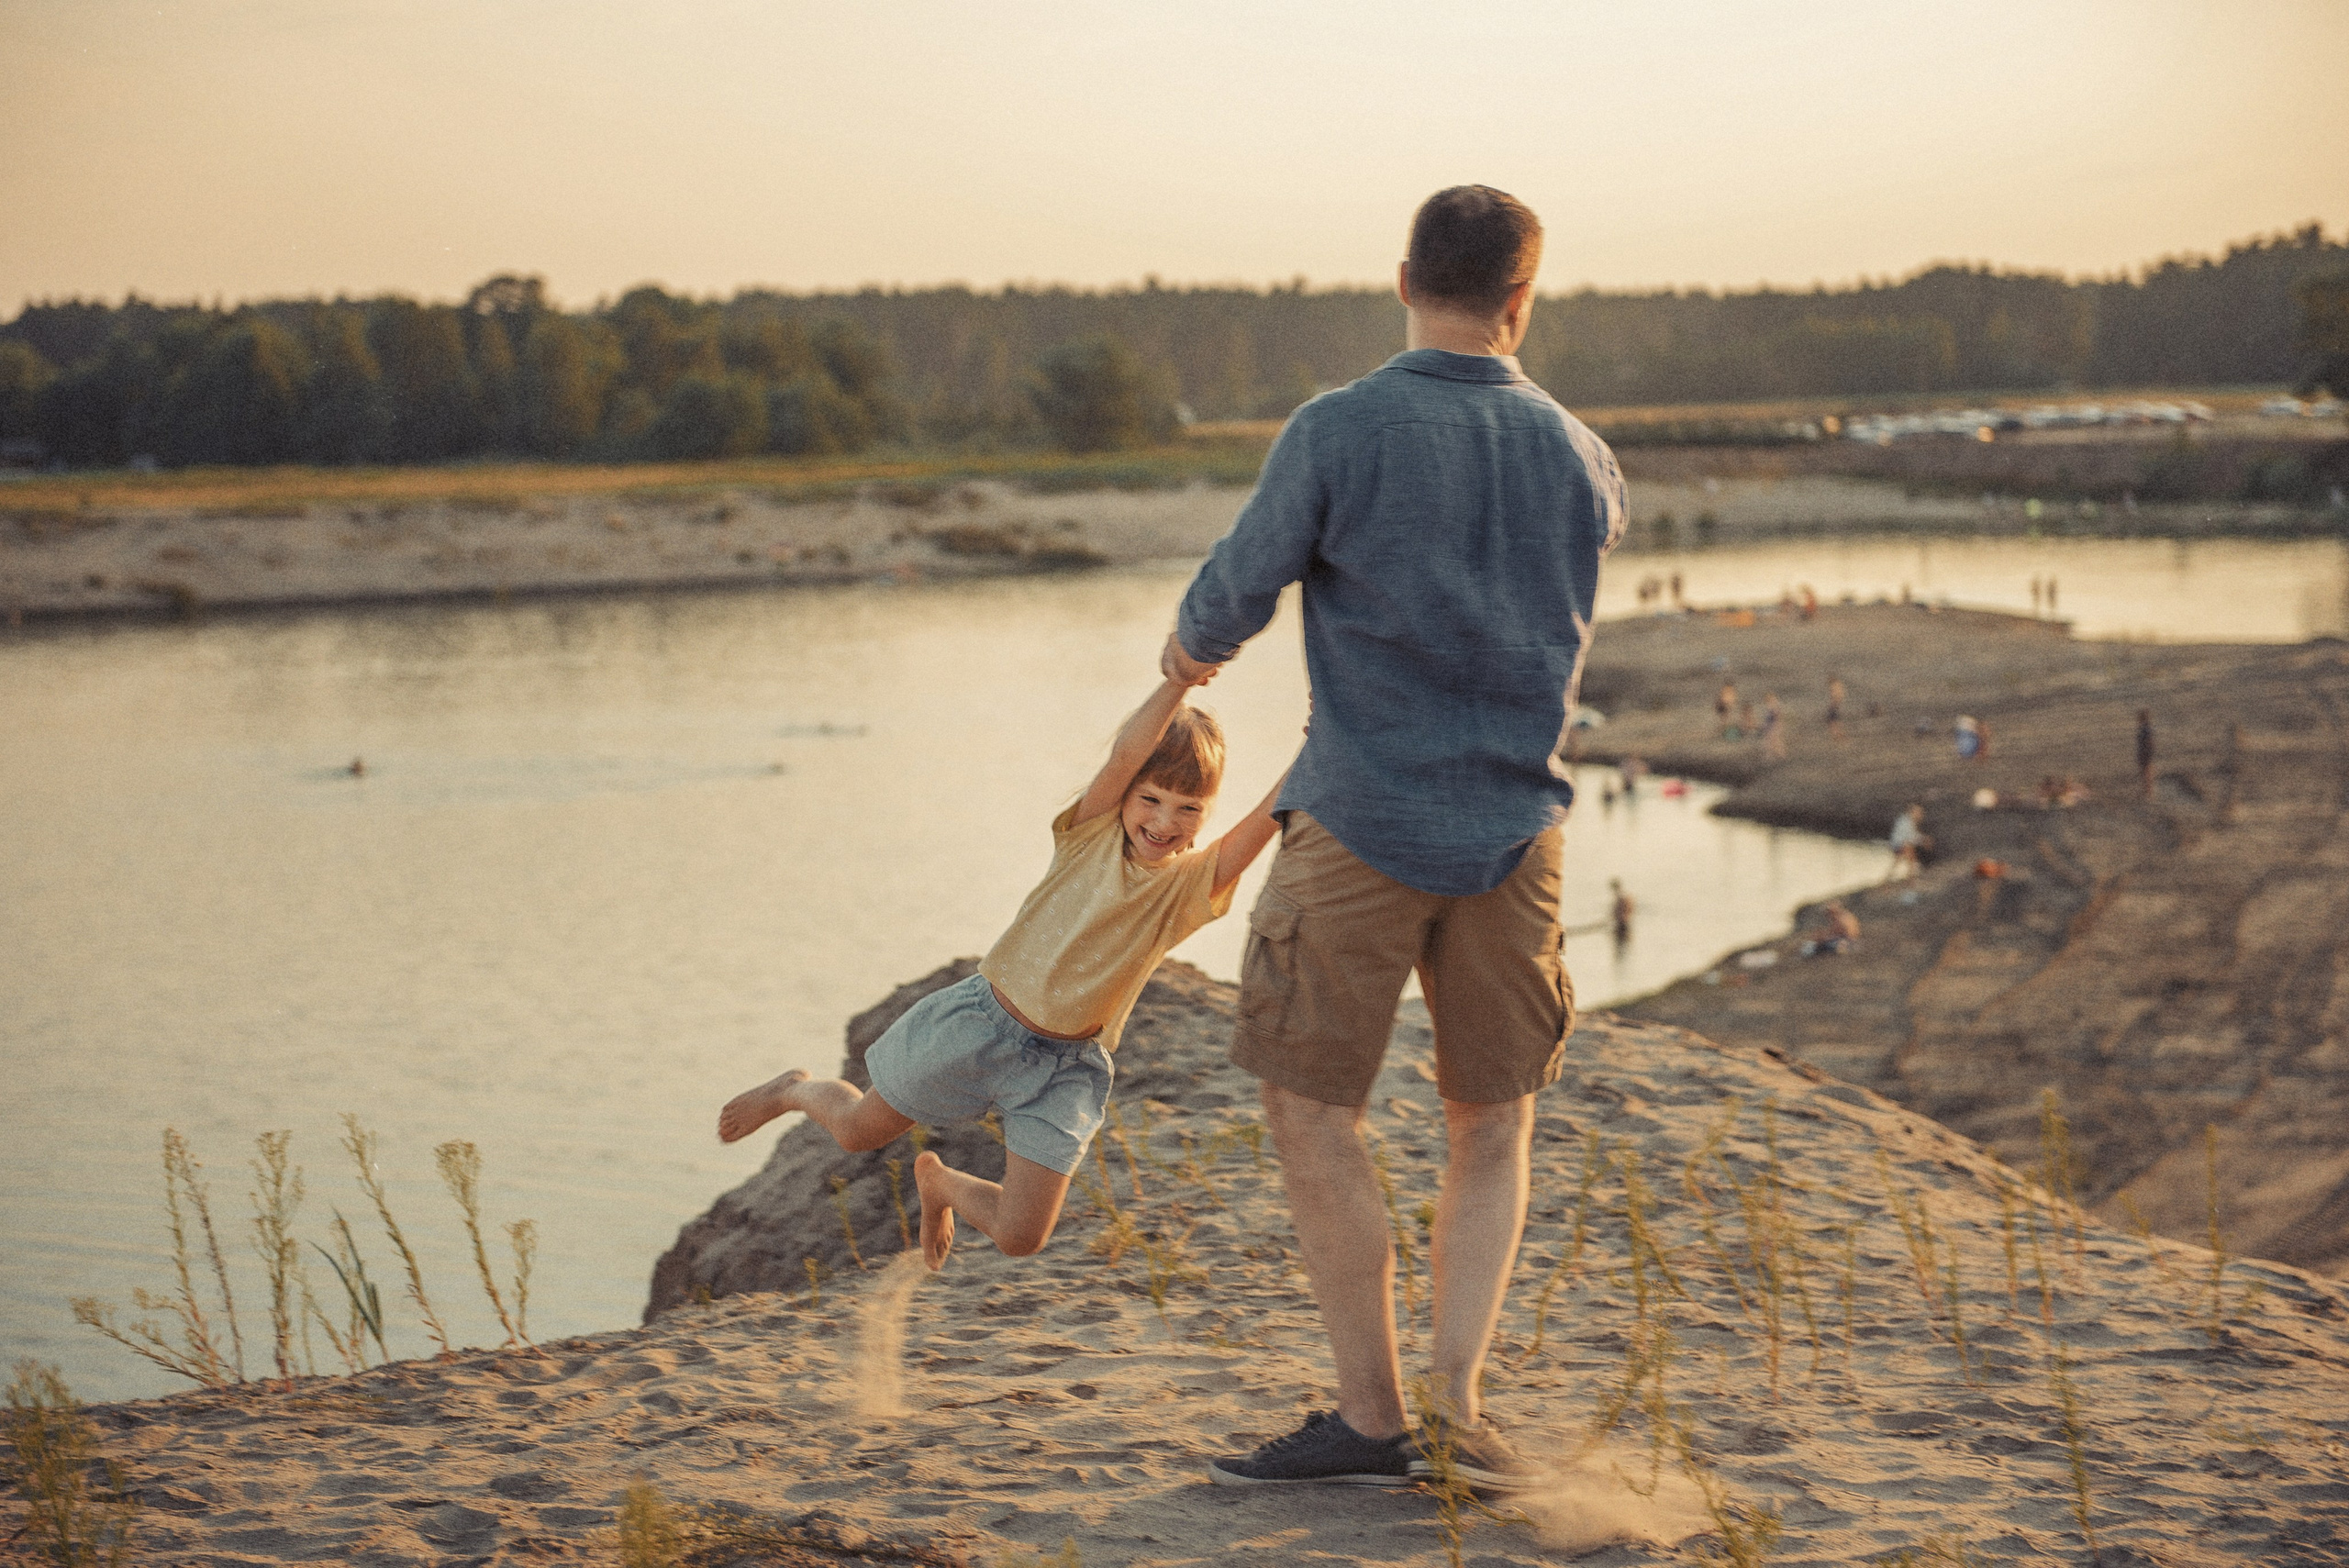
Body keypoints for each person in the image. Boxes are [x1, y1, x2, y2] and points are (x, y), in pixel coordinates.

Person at [1166, 185, 1623, 1494]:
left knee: (1312, 1110)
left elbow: (1233, 594)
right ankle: (1461, 1409)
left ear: (1406, 276)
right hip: (1519, 835)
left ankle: (1373, 1422)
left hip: (1361, 819)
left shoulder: (1339, 428)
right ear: (1522, 300)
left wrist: (1187, 650)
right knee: (1494, 1121)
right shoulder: (1583, 454)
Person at [716, 674, 1289, 1270]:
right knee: (859, 1130)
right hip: (981, 1026)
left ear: (1206, 814)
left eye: (1188, 808)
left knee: (1022, 1234)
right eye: (1150, 798)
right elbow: (1125, 754)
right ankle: (790, 1089)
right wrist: (1178, 681)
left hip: (1065, 1066)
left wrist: (1319, 742)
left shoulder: (1189, 888)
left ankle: (940, 1185)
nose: (1165, 821)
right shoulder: (1087, 837)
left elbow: (1267, 819)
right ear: (1124, 795)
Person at [1887, 803, 1932, 880]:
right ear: (1912, 811)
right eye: (1918, 812)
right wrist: (1923, 840)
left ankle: (1891, 876)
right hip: (1898, 844)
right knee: (1909, 850)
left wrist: (1923, 839)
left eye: (1921, 812)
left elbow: (1913, 835)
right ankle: (1910, 875)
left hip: (1901, 843)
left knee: (1899, 859)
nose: (1920, 815)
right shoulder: (1906, 821)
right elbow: (1910, 837)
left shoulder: (1910, 820)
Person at [2137, 707, 2155, 798]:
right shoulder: (2145, 728)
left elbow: (2148, 742)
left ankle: (2148, 792)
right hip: (2145, 752)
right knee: (2145, 772)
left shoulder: (2146, 729)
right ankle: (2147, 791)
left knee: (2146, 772)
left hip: (2145, 753)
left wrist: (2146, 752)